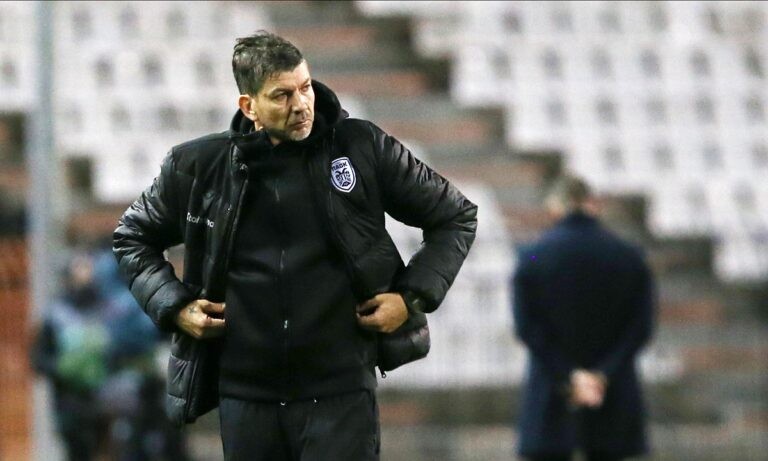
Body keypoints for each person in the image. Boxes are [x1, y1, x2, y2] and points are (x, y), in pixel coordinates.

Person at [113, 30, 477, 461]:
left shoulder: (362, 147)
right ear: (249, 106)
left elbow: (455, 216)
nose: (302, 104)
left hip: (340, 391)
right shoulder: (196, 166)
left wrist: (410, 297)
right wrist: (176, 308)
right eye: (282, 95)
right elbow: (131, 237)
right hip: (246, 396)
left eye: (305, 87)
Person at [511, 175, 655, 461]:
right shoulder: (628, 255)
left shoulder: (534, 256)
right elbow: (640, 328)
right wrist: (602, 374)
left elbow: (527, 328)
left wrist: (571, 376)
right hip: (613, 392)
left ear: (555, 206)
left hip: (552, 391)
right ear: (593, 204)